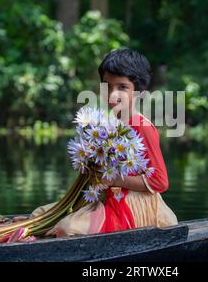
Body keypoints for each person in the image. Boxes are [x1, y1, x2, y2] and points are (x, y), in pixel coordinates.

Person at [30, 49, 178, 237]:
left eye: (122, 87)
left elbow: (160, 181)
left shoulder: (141, 126)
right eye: (107, 86)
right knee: (40, 215)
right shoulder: (110, 125)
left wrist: (115, 179)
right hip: (110, 201)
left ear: (139, 91)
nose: (113, 94)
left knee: (68, 229)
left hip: (133, 208)